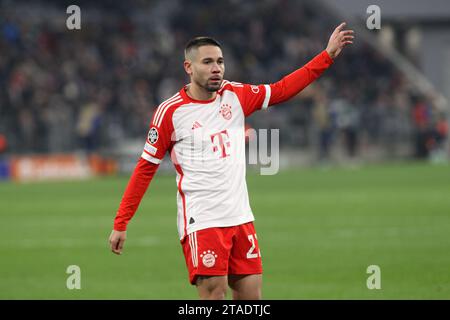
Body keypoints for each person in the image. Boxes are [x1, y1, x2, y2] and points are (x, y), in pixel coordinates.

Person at [109, 22, 354, 300]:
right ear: (188, 68)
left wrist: (327, 55)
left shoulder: (235, 95)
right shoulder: (170, 112)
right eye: (208, 62)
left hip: (241, 217)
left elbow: (282, 89)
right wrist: (121, 222)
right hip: (203, 220)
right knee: (215, 296)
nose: (217, 68)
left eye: (220, 61)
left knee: (252, 298)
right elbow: (144, 169)